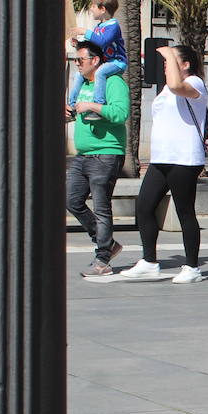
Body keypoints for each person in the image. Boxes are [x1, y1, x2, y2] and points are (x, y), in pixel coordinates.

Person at [116, 44, 208, 283]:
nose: (165, 64)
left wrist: (167, 50)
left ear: (185, 65)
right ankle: (149, 261)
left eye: (171, 61)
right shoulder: (166, 88)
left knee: (184, 211)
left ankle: (192, 267)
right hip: (161, 158)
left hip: (184, 158)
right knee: (144, 206)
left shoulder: (195, 83)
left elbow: (178, 86)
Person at [70, 39, 131, 277]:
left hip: (106, 153)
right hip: (82, 155)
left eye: (81, 59)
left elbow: (120, 113)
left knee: (101, 207)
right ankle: (107, 243)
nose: (77, 64)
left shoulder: (113, 82)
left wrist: (92, 107)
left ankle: (103, 259)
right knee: (71, 200)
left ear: (95, 60)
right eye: (75, 59)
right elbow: (80, 111)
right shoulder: (83, 84)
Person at [66, 0, 127, 121]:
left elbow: (103, 41)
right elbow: (94, 46)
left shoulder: (113, 26)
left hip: (116, 62)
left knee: (100, 73)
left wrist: (85, 31)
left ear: (102, 9)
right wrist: (78, 44)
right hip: (105, 62)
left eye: (93, 6)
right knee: (78, 75)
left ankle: (98, 105)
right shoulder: (99, 27)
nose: (91, 9)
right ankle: (71, 107)